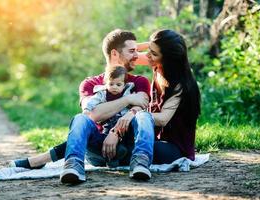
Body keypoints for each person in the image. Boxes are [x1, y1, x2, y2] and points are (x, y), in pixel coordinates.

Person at [12, 29, 201, 183]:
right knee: (81, 121)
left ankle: (42, 160)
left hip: (156, 144)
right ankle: (65, 164)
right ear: (114, 53)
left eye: (149, 52)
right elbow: (91, 116)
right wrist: (128, 101)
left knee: (138, 121)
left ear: (164, 58)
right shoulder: (91, 84)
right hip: (114, 141)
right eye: (134, 51)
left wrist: (124, 123)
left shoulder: (150, 81)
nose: (141, 55)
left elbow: (151, 114)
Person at [83, 65, 136, 167]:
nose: (114, 87)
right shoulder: (102, 94)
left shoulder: (128, 93)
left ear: (124, 85)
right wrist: (86, 110)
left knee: (127, 139)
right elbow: (92, 102)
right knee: (106, 140)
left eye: (118, 84)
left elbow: (137, 104)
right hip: (108, 123)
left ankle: (122, 152)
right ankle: (111, 158)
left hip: (124, 124)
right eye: (111, 84)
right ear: (106, 83)